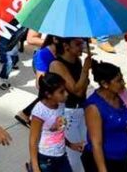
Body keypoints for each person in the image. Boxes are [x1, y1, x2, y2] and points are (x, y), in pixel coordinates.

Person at [49, 37, 92, 172]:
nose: (82, 47)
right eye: (78, 44)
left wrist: (86, 72)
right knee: (74, 156)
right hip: (67, 114)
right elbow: (76, 91)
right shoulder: (57, 64)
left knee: (85, 147)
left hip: (81, 110)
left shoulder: (77, 61)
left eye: (83, 43)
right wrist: (85, 70)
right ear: (66, 46)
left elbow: (83, 89)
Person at [82, 62, 127, 172]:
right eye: (118, 81)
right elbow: (96, 144)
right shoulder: (94, 108)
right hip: (105, 162)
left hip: (121, 160)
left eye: (122, 79)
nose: (123, 83)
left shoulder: (121, 97)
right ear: (105, 84)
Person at [28, 72, 72, 172]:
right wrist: (35, 167)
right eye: (61, 92)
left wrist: (70, 144)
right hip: (46, 159)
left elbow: (59, 132)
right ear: (48, 94)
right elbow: (33, 140)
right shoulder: (40, 112)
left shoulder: (61, 104)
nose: (66, 94)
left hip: (61, 155)